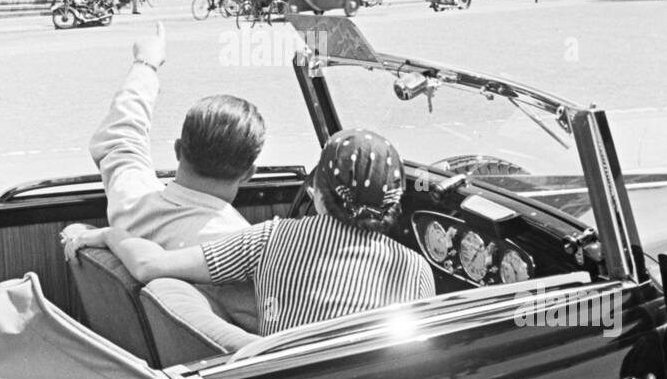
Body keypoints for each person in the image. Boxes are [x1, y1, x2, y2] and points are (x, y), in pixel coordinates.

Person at [69, 126, 434, 338]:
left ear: (318, 192)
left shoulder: (270, 238)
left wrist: (107, 236)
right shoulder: (416, 269)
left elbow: (152, 266)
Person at [62, 23, 264, 332]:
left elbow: (119, 138)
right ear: (249, 173)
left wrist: (146, 63)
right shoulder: (240, 248)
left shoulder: (131, 200)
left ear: (178, 150)